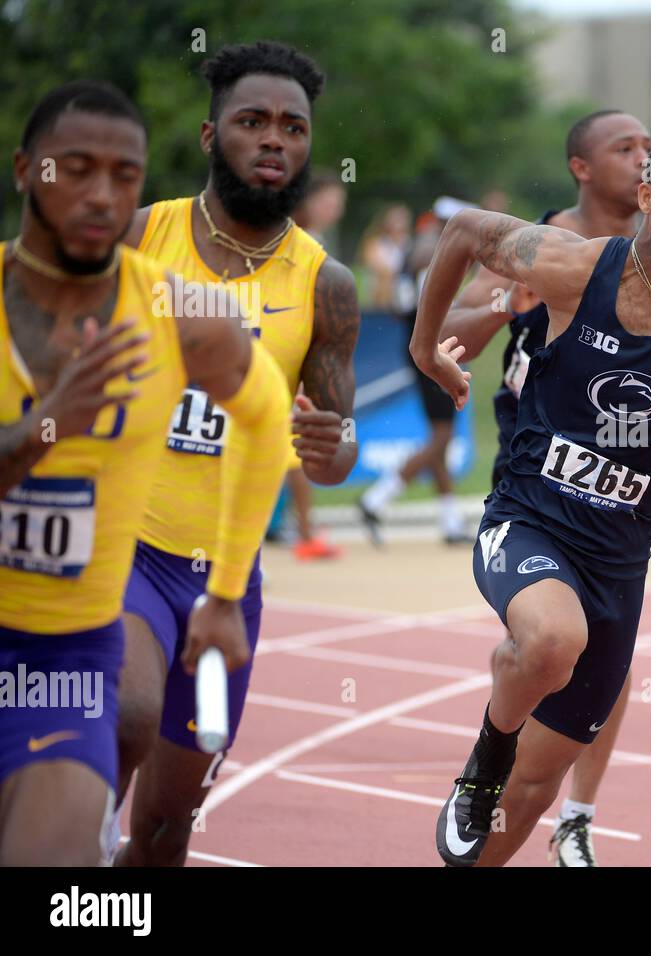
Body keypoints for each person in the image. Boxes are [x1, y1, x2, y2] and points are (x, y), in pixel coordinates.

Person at [411, 128, 651, 867]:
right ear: (647, 197)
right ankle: (485, 755)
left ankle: (522, 805)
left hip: (619, 564)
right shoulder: (575, 266)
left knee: (536, 791)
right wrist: (426, 349)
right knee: (550, 641)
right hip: (530, 517)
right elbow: (462, 231)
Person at [0, 80, 290, 865]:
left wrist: (227, 592)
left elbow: (266, 426)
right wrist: (46, 424)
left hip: (59, 661)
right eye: (77, 169)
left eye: (123, 175)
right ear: (28, 170)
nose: (102, 194)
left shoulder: (183, 318)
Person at [111, 41, 360, 867]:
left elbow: (333, 453)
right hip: (124, 548)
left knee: (166, 826)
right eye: (252, 121)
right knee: (124, 717)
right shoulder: (145, 233)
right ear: (211, 132)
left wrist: (332, 446)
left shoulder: (326, 284)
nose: (274, 139)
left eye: (293, 126)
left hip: (225, 575)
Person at [420, 110, 651, 865]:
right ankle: (496, 750)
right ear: (581, 167)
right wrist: (501, 304)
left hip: (616, 476)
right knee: (556, 638)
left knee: (608, 653)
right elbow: (452, 323)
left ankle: (576, 817)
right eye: (627, 149)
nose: (644, 161)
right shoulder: (545, 242)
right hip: (535, 465)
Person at [358, 205, 471, 544]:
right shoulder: (431, 253)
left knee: (440, 436)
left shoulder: (414, 249)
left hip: (419, 348)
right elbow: (432, 306)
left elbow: (397, 305)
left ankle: (450, 521)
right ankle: (375, 498)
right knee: (441, 438)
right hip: (432, 352)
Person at [274, 172, 351, 560]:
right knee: (292, 453)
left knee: (291, 453)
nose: (337, 208)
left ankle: (297, 528)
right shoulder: (292, 241)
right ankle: (301, 531)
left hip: (301, 358)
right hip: (285, 359)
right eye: (330, 200)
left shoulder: (314, 244)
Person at [360, 203, 412, 311]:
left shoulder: (408, 243)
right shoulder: (376, 243)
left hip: (404, 289)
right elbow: (379, 268)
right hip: (380, 291)